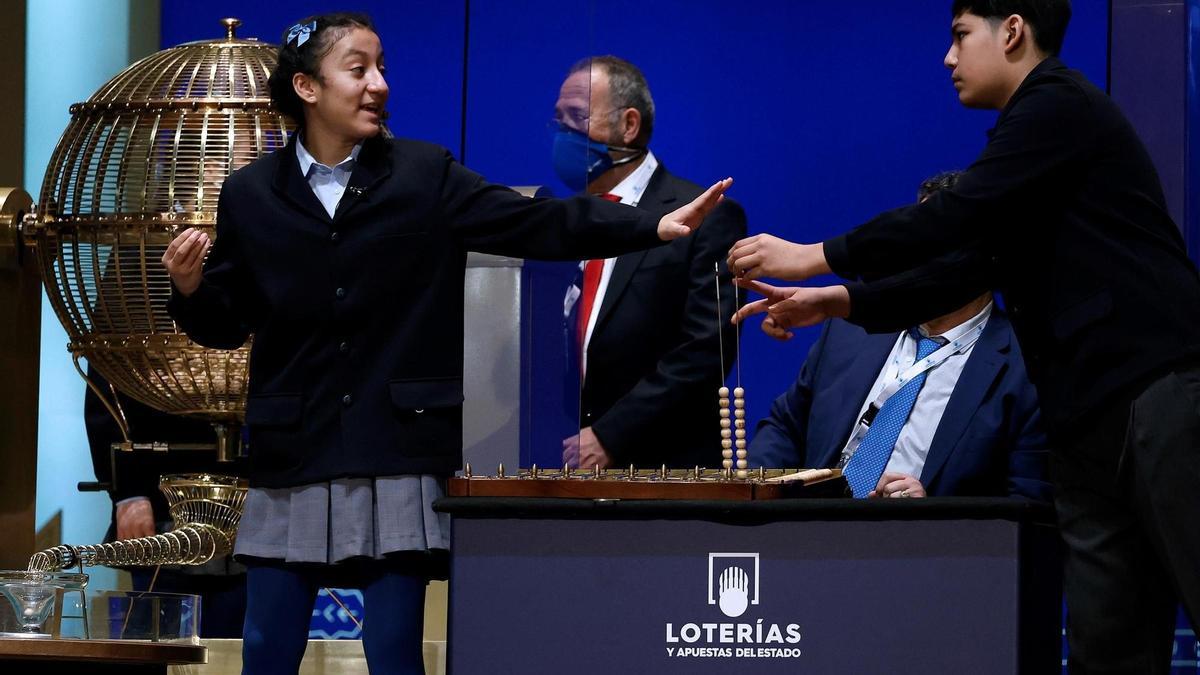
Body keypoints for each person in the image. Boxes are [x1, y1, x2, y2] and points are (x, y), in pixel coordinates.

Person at [161, 13, 731, 675]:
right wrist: (190, 286)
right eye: (358, 68)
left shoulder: (423, 173)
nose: (378, 84)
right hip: (295, 450)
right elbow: (228, 323)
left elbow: (540, 223)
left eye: (381, 67)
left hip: (398, 447)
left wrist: (652, 224)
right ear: (307, 88)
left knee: (395, 645)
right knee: (265, 645)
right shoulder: (251, 194)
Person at [727, 1, 1200, 671]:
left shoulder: (1056, 107)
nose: (948, 58)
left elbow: (955, 218)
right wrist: (835, 301)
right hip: (1085, 422)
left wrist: (813, 255)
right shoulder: (1029, 141)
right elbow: (967, 265)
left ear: (1011, 30)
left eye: (958, 36)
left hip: (1157, 399)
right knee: (1108, 650)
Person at [751, 173, 1049, 501]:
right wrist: (756, 497)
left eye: (941, 241)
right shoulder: (849, 331)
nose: (921, 257)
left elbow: (1027, 505)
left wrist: (930, 515)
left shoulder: (1029, 367)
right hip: (806, 538)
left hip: (925, 546)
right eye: (915, 241)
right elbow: (785, 426)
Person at [554, 56, 746, 471]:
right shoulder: (565, 219)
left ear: (629, 125)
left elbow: (705, 349)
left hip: (666, 469)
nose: (563, 133)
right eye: (559, 119)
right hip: (566, 466)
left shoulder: (704, 215)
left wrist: (610, 435)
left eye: (577, 117)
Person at [83, 366, 249, 638]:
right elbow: (106, 386)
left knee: (236, 647)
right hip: (158, 496)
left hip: (244, 493)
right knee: (154, 640)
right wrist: (127, 490)